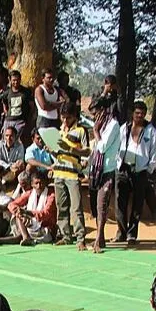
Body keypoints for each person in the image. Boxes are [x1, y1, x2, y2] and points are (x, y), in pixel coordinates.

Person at [115, 101, 156, 243]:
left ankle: (132, 234)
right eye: (137, 113)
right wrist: (117, 164)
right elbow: (117, 146)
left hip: (140, 170)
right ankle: (121, 232)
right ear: (132, 114)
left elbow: (154, 152)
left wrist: (149, 169)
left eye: (142, 113)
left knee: (137, 203)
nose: (139, 116)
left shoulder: (151, 131)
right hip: (123, 168)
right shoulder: (124, 128)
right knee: (119, 202)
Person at [52, 105, 90, 250]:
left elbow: (86, 152)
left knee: (76, 207)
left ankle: (80, 238)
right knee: (61, 206)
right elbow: (58, 153)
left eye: (68, 117)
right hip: (58, 172)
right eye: (63, 117)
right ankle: (65, 235)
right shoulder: (59, 131)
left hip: (73, 174)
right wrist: (52, 150)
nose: (65, 120)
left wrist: (70, 149)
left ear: (74, 116)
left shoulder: (81, 131)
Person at [88, 102, 123, 253]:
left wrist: (95, 131)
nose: (95, 117)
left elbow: (102, 147)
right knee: (96, 205)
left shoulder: (113, 125)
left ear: (103, 111)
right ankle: (100, 238)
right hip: (96, 171)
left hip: (107, 170)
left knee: (102, 204)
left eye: (96, 113)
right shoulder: (102, 125)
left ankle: (97, 239)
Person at [0, 171, 57, 246]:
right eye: (36, 183)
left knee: (20, 233)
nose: (39, 186)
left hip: (45, 230)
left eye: (41, 183)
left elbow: (45, 214)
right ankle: (25, 237)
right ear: (32, 184)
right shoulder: (30, 193)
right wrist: (21, 214)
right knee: (18, 215)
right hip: (30, 226)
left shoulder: (51, 195)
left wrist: (27, 213)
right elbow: (11, 204)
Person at [5, 69, 36, 135]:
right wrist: (5, 111)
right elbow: (3, 102)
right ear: (10, 80)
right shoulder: (7, 92)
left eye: (17, 80)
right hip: (9, 120)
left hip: (21, 121)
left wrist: (29, 118)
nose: (16, 82)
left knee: (17, 139)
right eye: (14, 80)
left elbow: (32, 106)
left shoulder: (26, 92)